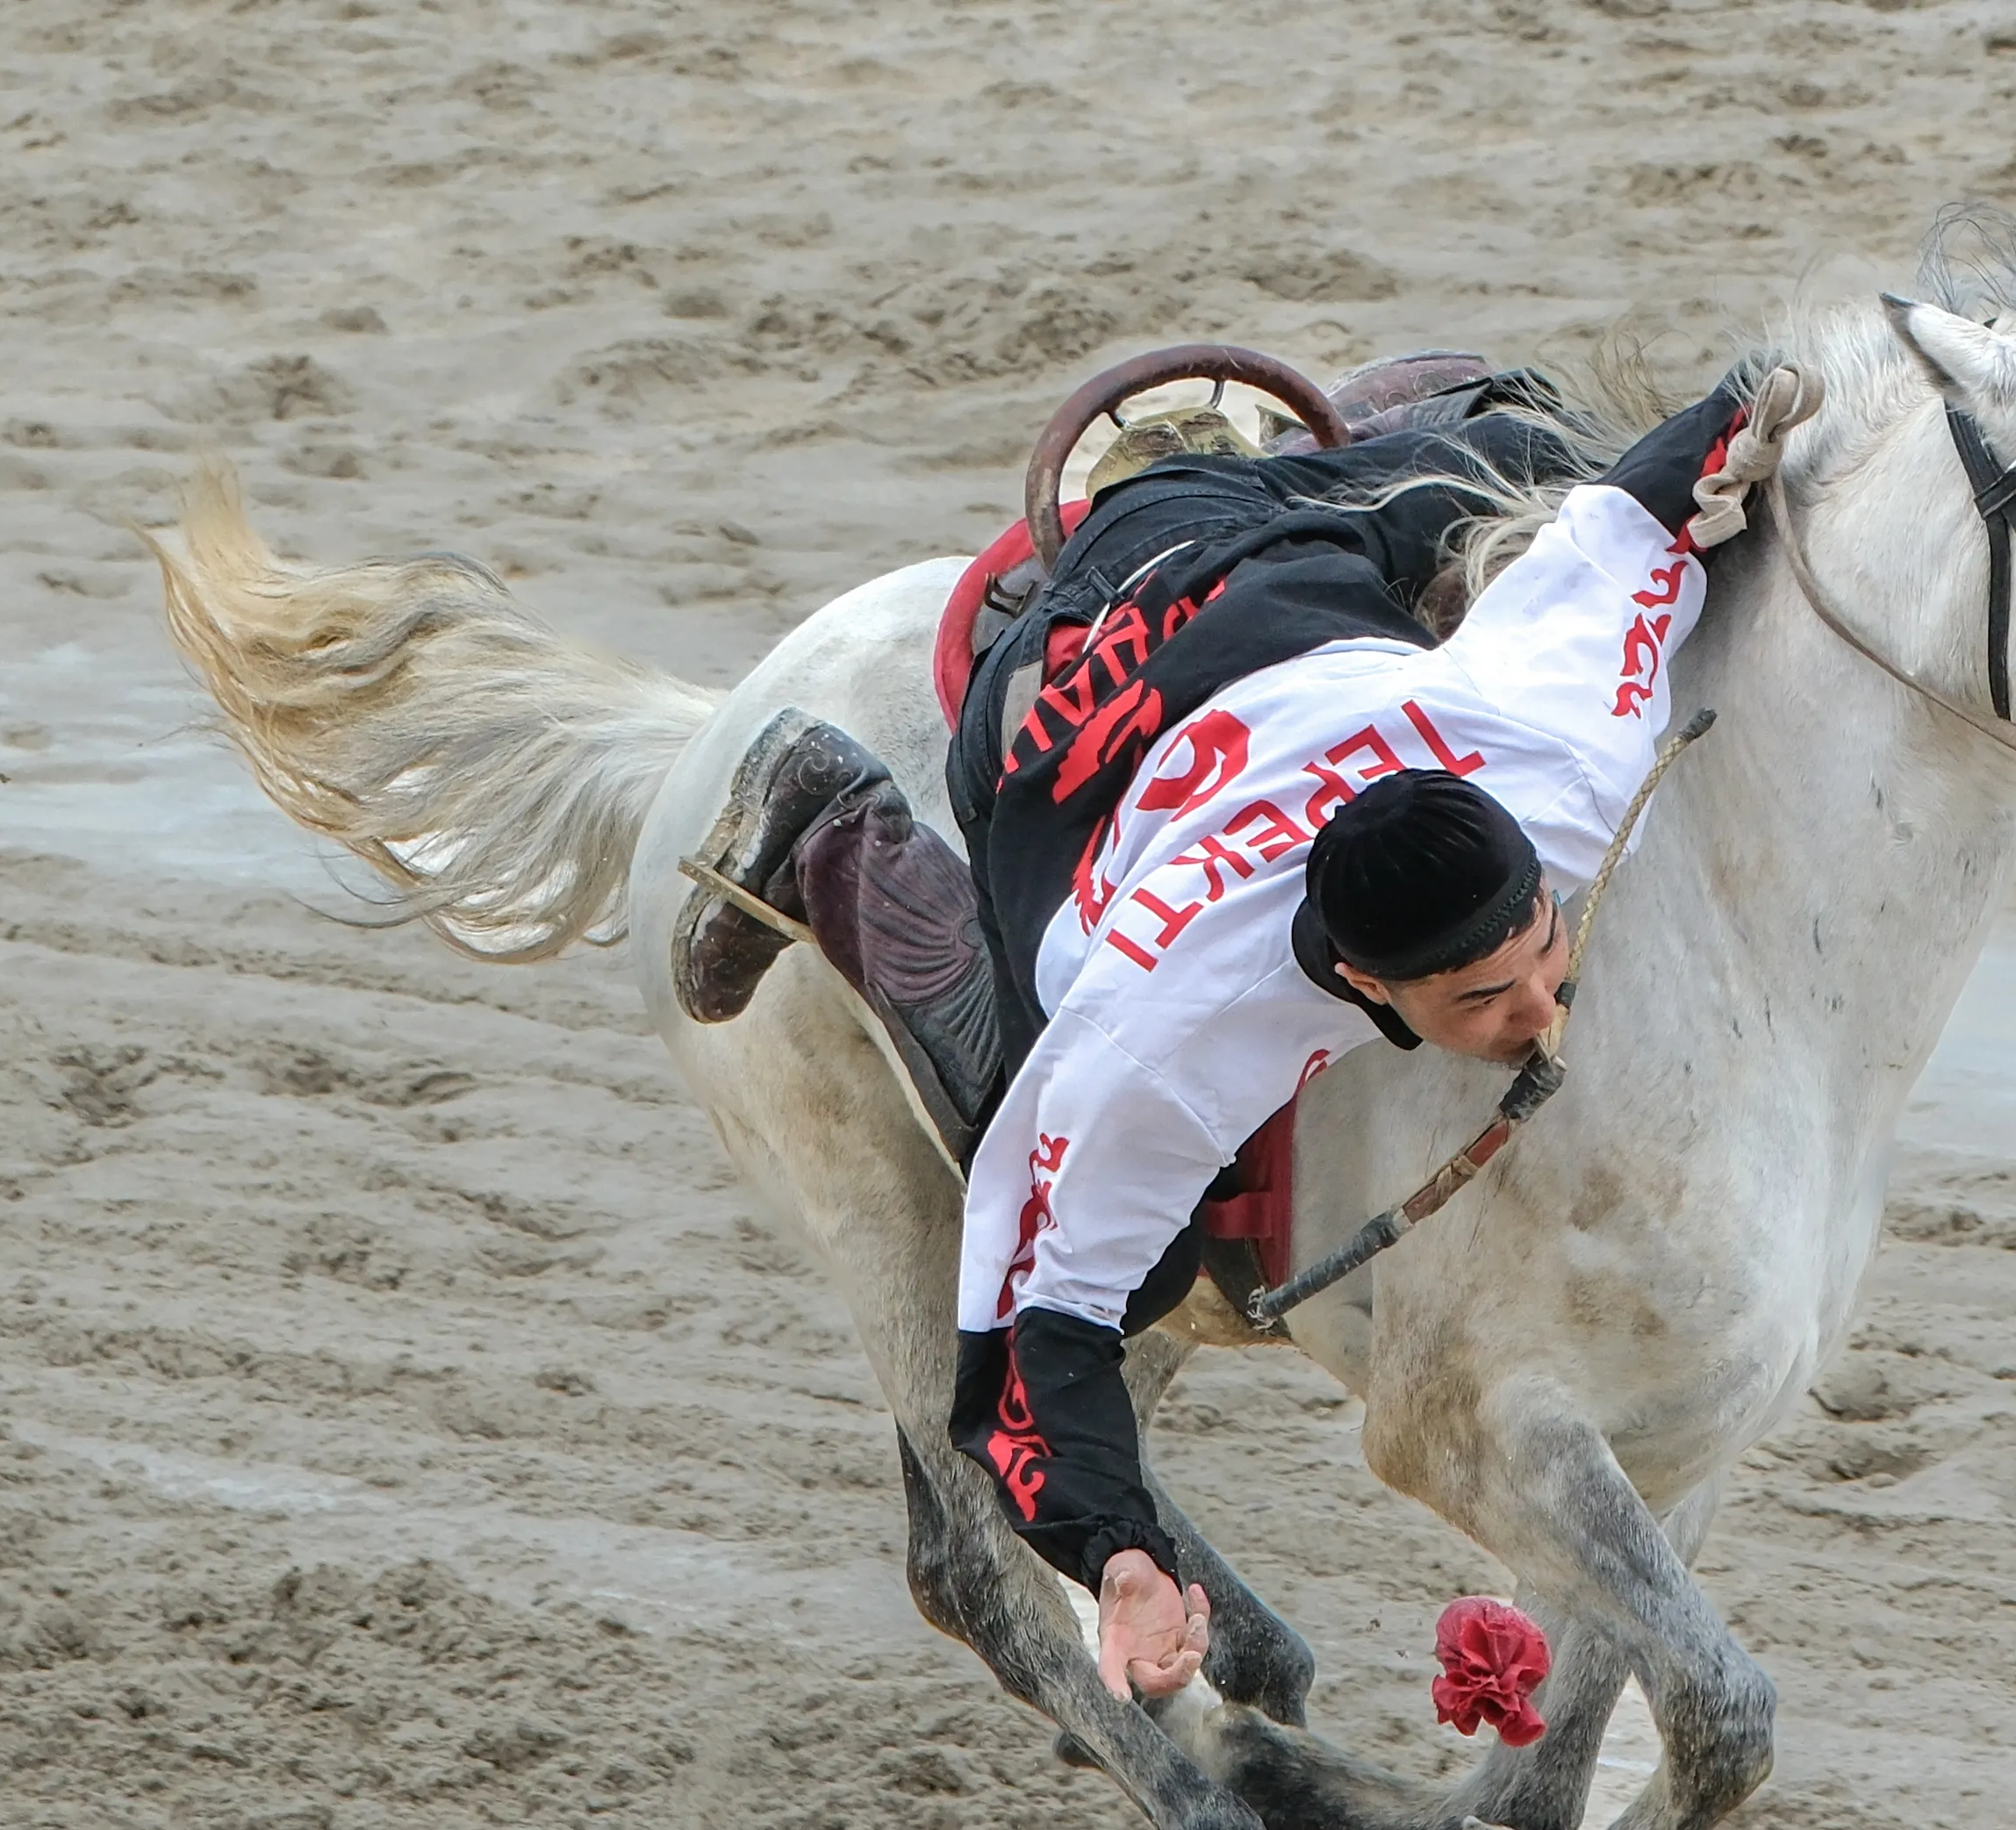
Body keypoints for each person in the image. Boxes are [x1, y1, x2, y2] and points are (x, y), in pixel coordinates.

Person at [671, 361, 1812, 1706]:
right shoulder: (1166, 1027)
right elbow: (1038, 1337)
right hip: (1082, 687)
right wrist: (1122, 1555)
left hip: (1294, 528)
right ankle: (841, 830)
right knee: (1127, 1252)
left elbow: (1626, 530)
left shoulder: (1562, 765)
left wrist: (1749, 404)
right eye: (1480, 1007)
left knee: (1520, 439)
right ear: (1366, 990)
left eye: (1542, 958)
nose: (1537, 1016)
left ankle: (1364, 416)